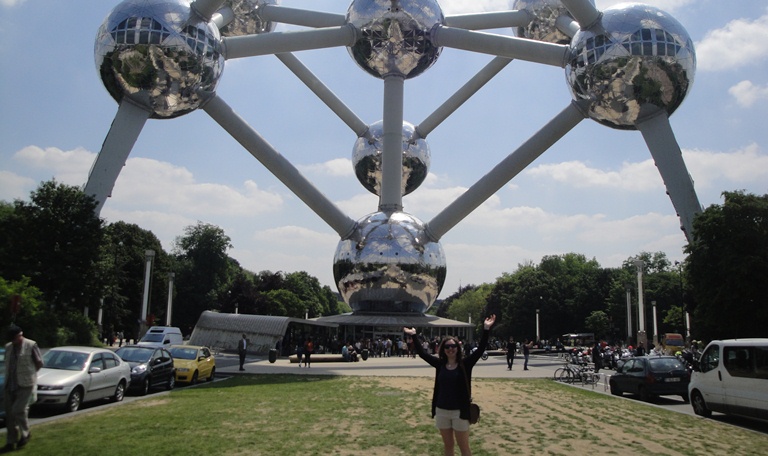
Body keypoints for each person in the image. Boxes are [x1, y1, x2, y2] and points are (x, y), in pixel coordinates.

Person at [404, 314, 496, 456]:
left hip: (460, 412)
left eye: (453, 346)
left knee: (464, 447)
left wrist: (486, 329)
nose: (450, 349)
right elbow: (422, 354)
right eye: (447, 346)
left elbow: (479, 350)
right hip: (442, 411)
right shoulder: (440, 365)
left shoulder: (465, 364)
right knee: (448, 446)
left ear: (458, 348)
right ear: (443, 349)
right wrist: (414, 335)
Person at [3, 325, 43, 453]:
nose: (13, 341)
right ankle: (11, 441)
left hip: (26, 384)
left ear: (20, 335)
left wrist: (30, 374)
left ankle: (26, 433)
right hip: (10, 384)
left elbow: (39, 363)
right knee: (10, 416)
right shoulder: (8, 347)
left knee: (18, 409)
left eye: (14, 338)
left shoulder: (31, 345)